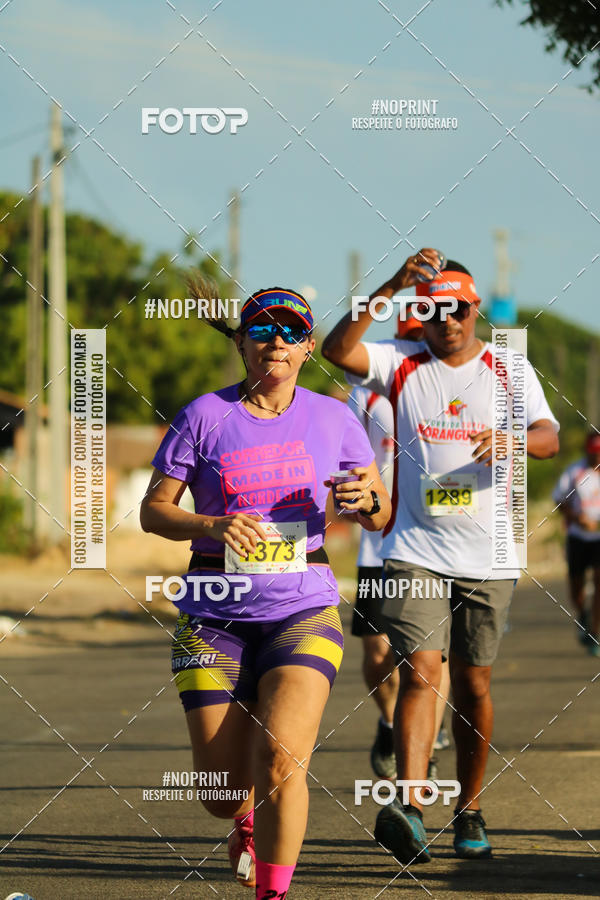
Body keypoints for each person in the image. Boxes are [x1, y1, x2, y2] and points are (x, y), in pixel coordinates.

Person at [140, 286, 391, 898]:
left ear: (307, 347)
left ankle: (272, 894)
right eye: (261, 331)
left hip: (302, 608)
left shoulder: (335, 418)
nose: (275, 342)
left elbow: (378, 508)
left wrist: (368, 503)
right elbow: (153, 512)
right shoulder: (203, 416)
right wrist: (212, 524)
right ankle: (243, 821)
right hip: (212, 615)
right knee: (221, 795)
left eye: (289, 332)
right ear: (242, 343)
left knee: (282, 761)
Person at [322, 249, 559, 863]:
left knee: (473, 684)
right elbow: (335, 348)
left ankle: (470, 809)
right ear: (418, 315)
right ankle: (410, 806)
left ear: (475, 311)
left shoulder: (510, 369)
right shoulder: (400, 363)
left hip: (489, 553)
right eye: (430, 310)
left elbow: (549, 437)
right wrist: (394, 284)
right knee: (423, 672)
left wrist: (512, 439)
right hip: (413, 548)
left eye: (456, 310)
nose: (445, 320)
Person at [349, 310, 451, 783]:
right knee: (376, 654)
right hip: (376, 544)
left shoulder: (455, 389)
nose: (419, 345)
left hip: (432, 542)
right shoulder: (368, 390)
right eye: (410, 337)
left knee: (431, 653)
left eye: (423, 336)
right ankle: (391, 723)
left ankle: (425, 744)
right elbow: (344, 454)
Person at [553, 430, 600, 657]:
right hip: (578, 537)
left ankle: (595, 632)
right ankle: (582, 613)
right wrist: (577, 519)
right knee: (576, 587)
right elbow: (559, 500)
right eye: (593, 453)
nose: (596, 458)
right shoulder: (575, 471)